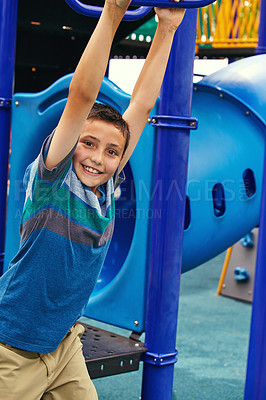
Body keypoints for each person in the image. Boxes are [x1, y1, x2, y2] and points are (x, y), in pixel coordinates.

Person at [0, 1, 185, 399]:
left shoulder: (107, 187)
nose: (98, 158)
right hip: (11, 348)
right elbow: (82, 96)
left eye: (112, 151)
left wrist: (167, 28)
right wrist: (114, 11)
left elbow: (141, 104)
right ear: (71, 143)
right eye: (88, 143)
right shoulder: (53, 178)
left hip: (64, 344)